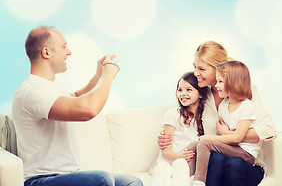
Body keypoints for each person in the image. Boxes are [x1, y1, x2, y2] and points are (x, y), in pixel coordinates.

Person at [12, 26, 143, 186]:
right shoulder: (32, 91)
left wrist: (98, 75)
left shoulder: (48, 88)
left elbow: (75, 98)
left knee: (131, 182)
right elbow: (88, 110)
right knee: (102, 179)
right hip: (41, 180)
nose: (69, 52)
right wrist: (108, 76)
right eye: (63, 46)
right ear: (46, 52)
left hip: (68, 176)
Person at [158, 41, 276, 186]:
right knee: (216, 159)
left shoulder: (243, 91)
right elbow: (183, 117)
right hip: (216, 161)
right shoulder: (202, 94)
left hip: (244, 163)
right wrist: (167, 139)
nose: (196, 73)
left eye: (201, 68)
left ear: (218, 68)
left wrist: (230, 134)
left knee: (233, 164)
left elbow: (269, 130)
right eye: (194, 67)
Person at [188, 61, 261, 186]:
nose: (216, 86)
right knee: (194, 145)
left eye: (220, 81)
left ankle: (198, 181)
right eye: (217, 81)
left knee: (204, 142)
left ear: (234, 82)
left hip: (245, 153)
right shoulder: (223, 105)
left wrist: (210, 137)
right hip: (232, 149)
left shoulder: (246, 106)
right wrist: (216, 136)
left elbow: (237, 137)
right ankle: (187, 177)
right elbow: (221, 137)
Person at [151, 72, 207, 186]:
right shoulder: (172, 114)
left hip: (188, 166)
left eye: (188, 90)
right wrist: (181, 157)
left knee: (184, 172)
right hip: (170, 161)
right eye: (180, 90)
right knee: (163, 170)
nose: (183, 94)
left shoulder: (206, 117)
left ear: (200, 94)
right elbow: (166, 152)